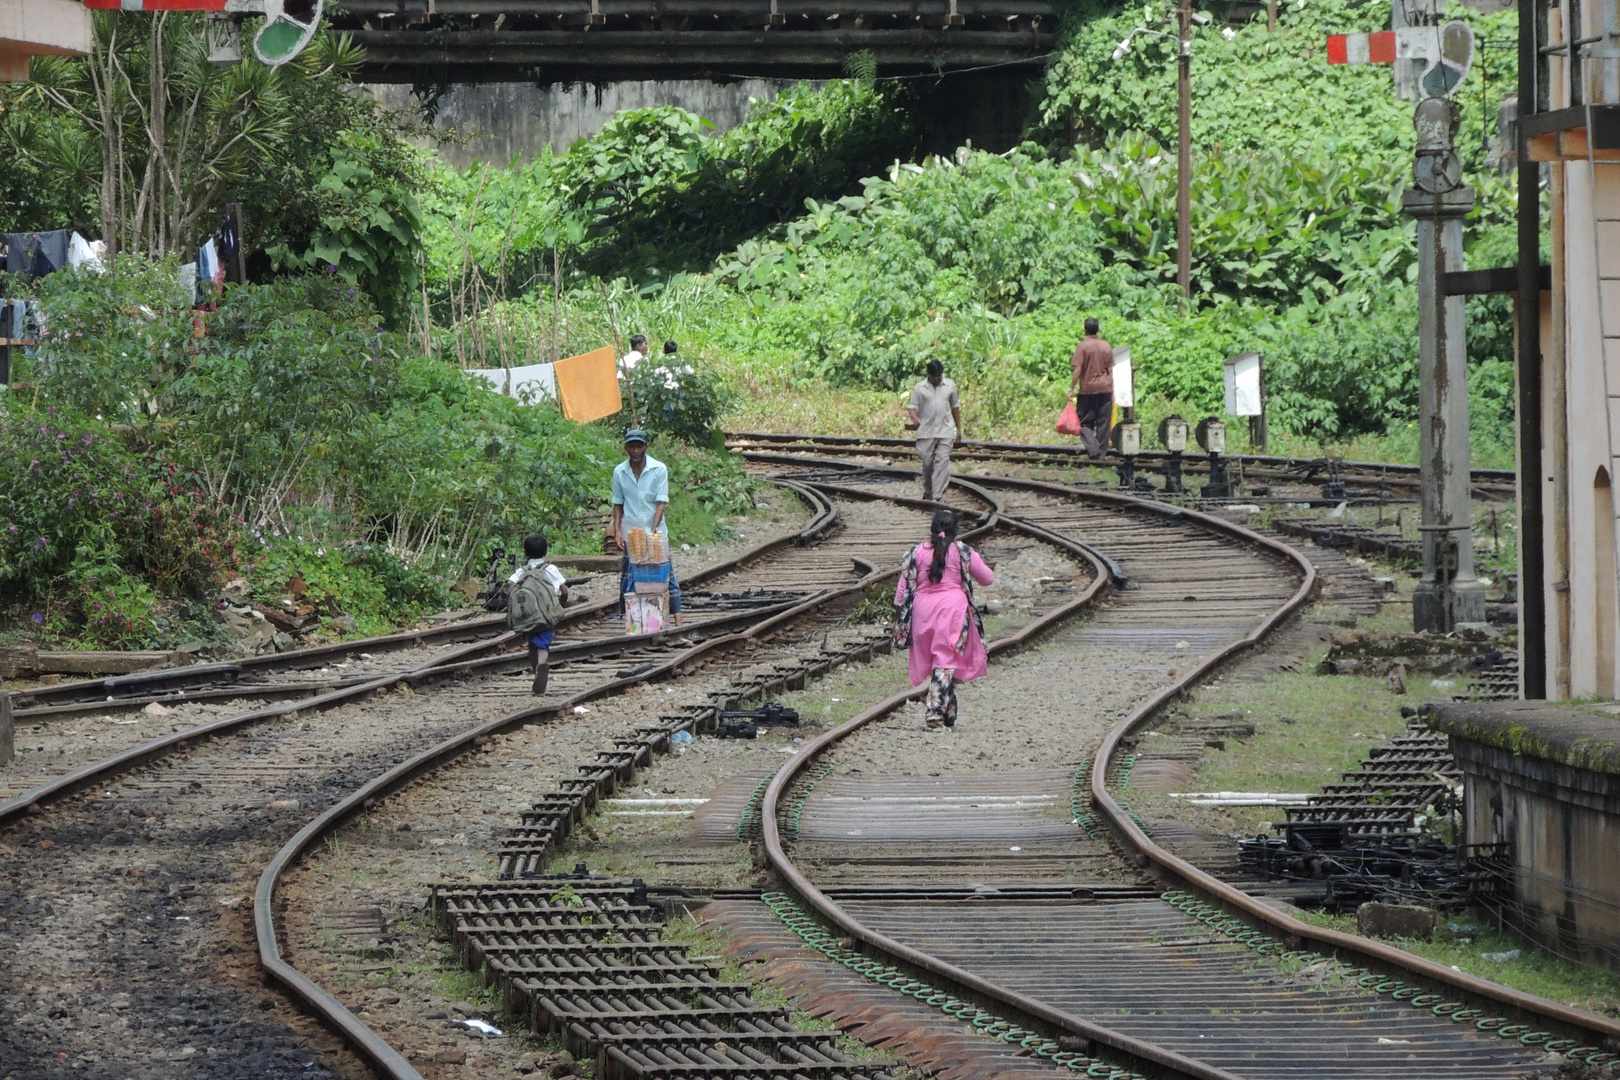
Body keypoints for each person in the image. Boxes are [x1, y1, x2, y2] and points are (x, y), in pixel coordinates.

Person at [894, 509, 994, 730]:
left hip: (922, 610)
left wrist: (901, 617)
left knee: (938, 660)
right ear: (955, 531)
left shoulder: (915, 552)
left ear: (932, 530)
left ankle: (949, 709)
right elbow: (988, 578)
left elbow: (902, 592)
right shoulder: (964, 552)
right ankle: (935, 711)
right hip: (952, 609)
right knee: (945, 659)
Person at [611, 428, 682, 624]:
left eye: (639, 446)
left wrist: (654, 529)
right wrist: (617, 530)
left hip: (656, 533)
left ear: (646, 447)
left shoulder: (658, 469)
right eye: (631, 446)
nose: (635, 451)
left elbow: (661, 502)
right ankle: (630, 619)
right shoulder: (619, 472)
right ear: (626, 447)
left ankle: (677, 618)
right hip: (631, 533)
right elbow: (618, 503)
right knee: (630, 575)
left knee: (665, 575)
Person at [508, 532, 569, 695]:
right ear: (546, 551)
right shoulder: (551, 569)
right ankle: (541, 666)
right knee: (543, 643)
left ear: (525, 552)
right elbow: (564, 590)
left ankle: (535, 670)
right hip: (546, 613)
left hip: (527, 615)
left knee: (532, 644)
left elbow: (510, 588)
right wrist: (561, 604)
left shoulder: (522, 570)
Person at [906, 360, 961, 502]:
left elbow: (955, 406)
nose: (937, 379)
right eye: (934, 376)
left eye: (939, 376)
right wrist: (916, 420)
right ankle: (929, 490)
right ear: (928, 374)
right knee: (927, 462)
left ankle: (937, 496)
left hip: (945, 430)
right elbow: (912, 407)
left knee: (942, 461)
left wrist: (958, 428)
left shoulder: (950, 385)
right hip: (926, 431)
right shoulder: (920, 388)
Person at [1068, 317, 1114, 461]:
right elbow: (1110, 369)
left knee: (1084, 422)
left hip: (1087, 389)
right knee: (1103, 422)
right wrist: (1112, 388)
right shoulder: (1106, 346)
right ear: (1098, 329)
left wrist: (1071, 388)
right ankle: (1100, 454)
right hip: (1106, 388)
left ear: (1085, 330)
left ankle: (1094, 450)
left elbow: (1078, 369)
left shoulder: (1082, 347)